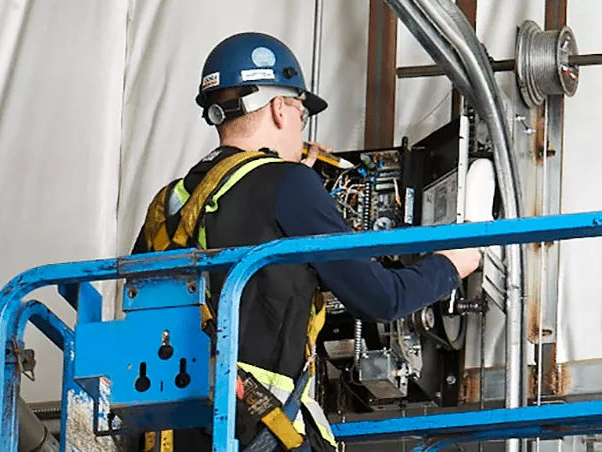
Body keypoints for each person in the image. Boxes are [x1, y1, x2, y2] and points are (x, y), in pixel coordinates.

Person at [130, 32, 481, 450]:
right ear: (279, 109)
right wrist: (453, 264)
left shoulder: (169, 203)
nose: (301, 128)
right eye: (301, 113)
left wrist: (296, 184)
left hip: (171, 436)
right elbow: (382, 298)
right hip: (253, 431)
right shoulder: (288, 183)